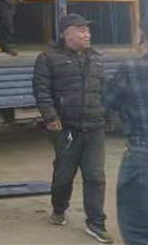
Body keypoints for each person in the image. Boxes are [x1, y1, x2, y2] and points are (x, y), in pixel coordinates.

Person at [32, 13, 113, 243]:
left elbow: (105, 91)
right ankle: (59, 209)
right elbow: (41, 90)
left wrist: (110, 116)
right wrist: (50, 116)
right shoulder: (48, 58)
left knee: (95, 176)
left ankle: (96, 223)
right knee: (63, 175)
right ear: (67, 34)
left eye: (88, 30)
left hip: (94, 126)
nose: (87, 34)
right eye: (81, 30)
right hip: (66, 128)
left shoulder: (96, 58)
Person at [104, 17, 148, 245]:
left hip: (146, 157)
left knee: (142, 235)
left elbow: (108, 102)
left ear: (141, 38)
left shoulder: (131, 68)